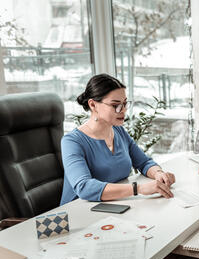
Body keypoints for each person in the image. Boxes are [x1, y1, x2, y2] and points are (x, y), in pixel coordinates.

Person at [60, 73, 175, 205]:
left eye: (125, 104)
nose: (123, 110)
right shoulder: (72, 141)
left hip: (115, 205)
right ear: (93, 105)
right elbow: (84, 187)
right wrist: (139, 188)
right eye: (116, 105)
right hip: (78, 213)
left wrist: (159, 173)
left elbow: (144, 163)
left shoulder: (118, 131)